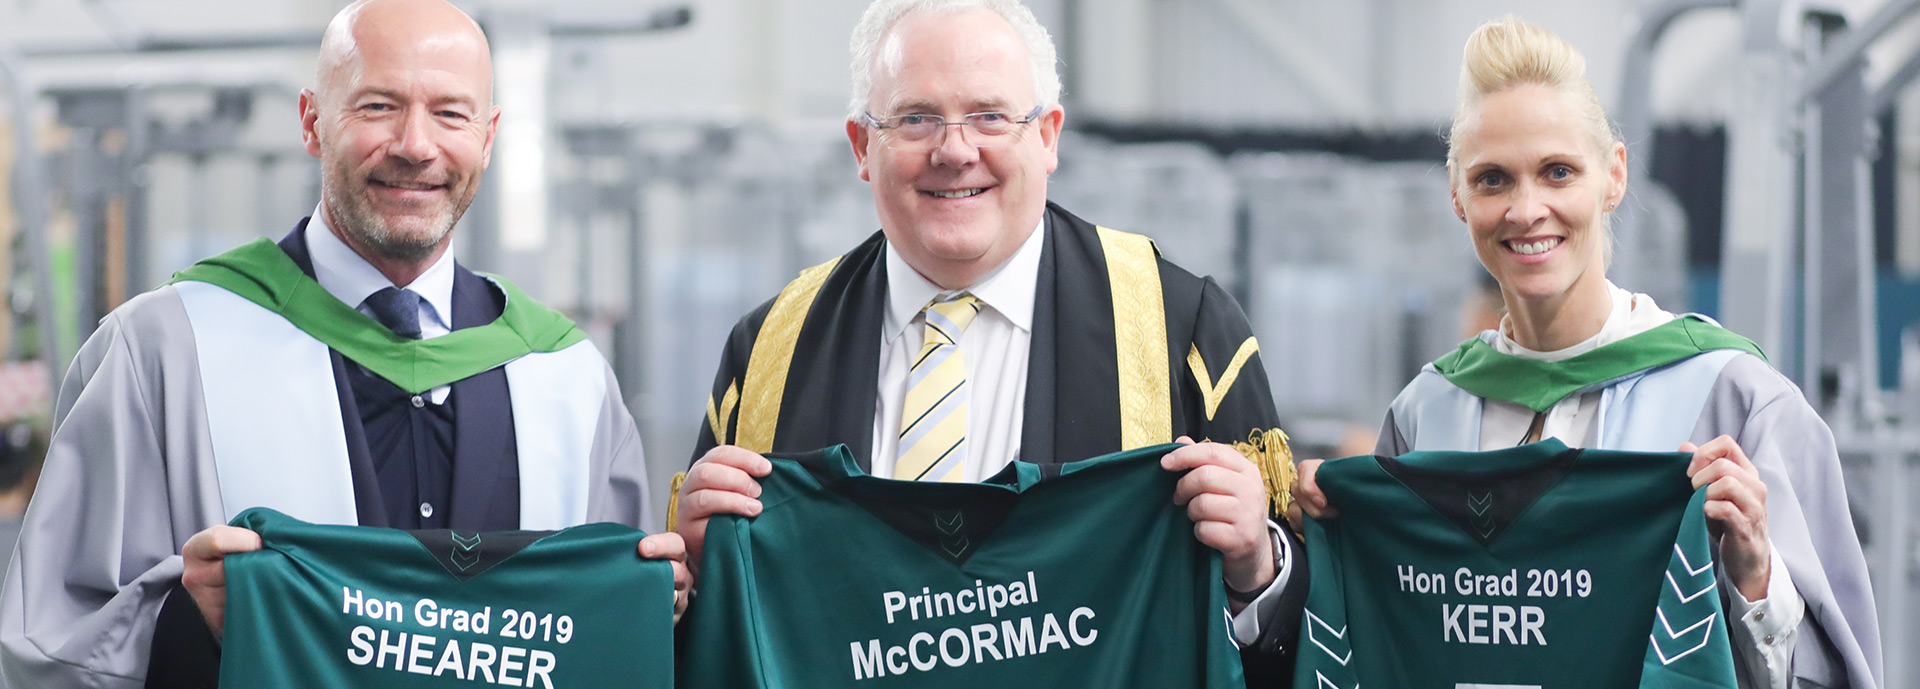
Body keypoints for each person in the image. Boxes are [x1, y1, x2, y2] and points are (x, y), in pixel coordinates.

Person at [0, 1, 688, 686]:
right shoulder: (163, 350)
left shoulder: (566, 378)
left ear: (488, 135)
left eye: (451, 113)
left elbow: (611, 651)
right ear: (312, 121)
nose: (416, 145)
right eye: (379, 106)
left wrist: (672, 602)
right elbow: (48, 641)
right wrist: (187, 621)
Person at [672, 0, 1303, 682]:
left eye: (990, 115)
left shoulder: (1185, 329)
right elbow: (713, 637)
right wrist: (696, 578)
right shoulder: (769, 351)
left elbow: (1316, 629)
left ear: (1049, 136)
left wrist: (1254, 567)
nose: (954, 150)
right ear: (861, 145)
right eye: (915, 118)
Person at [1291, 16, 1880, 689]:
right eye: (1492, 180)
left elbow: (1837, 673)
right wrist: (1332, 538)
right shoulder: (1426, 411)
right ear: (1457, 196)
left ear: (1614, 176)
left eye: (1558, 171)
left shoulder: (1737, 400)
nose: (1526, 208)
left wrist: (1756, 579)